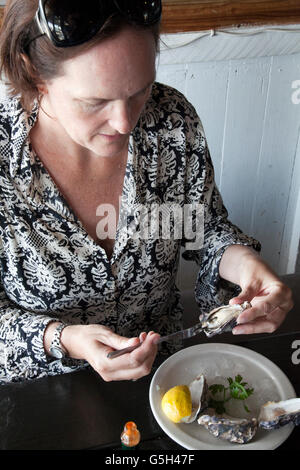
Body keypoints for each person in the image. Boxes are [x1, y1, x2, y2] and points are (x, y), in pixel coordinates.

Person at [0, 0, 293, 385]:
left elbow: (203, 230)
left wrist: (244, 265)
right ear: (34, 74)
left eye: (140, 91)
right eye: (95, 102)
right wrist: (65, 339)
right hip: (44, 392)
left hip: (162, 376)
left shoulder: (170, 119)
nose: (125, 122)